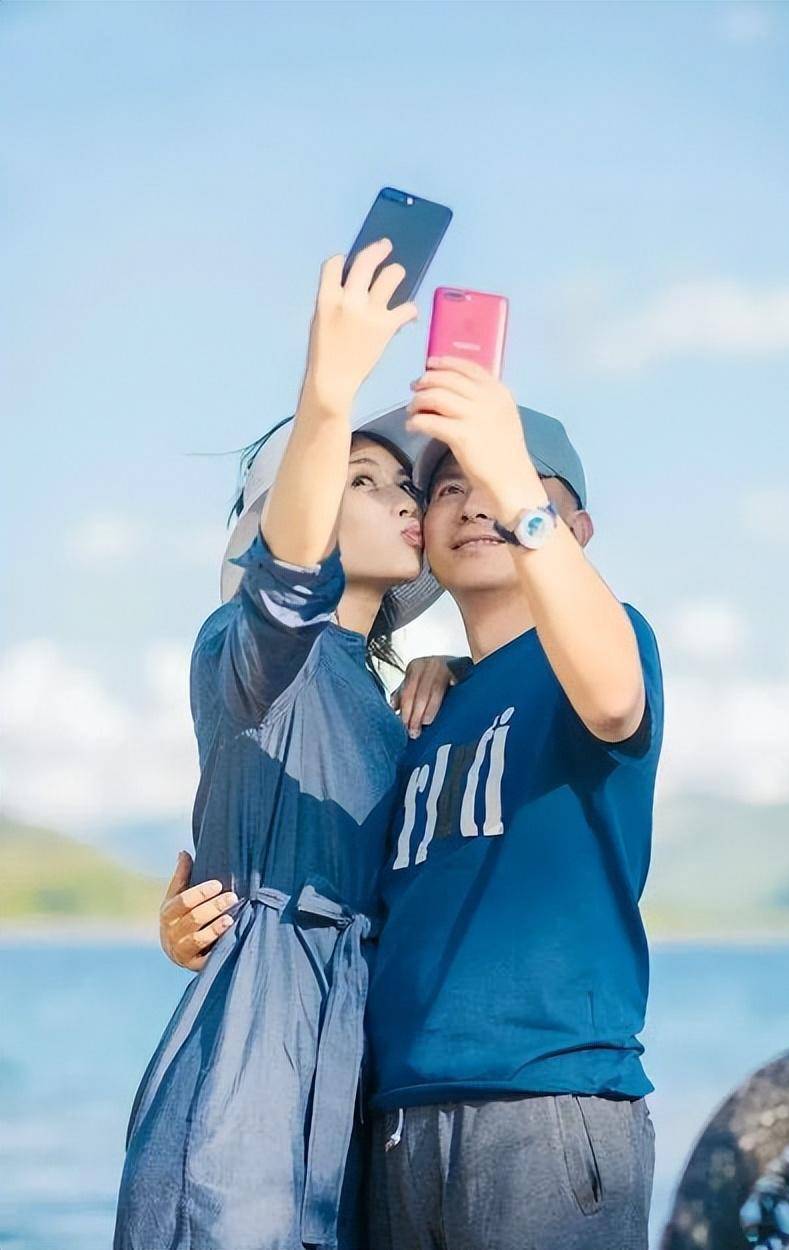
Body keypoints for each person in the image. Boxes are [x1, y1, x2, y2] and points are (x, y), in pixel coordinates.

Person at [113, 238, 454, 1250]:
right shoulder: (248, 650)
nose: (402, 499)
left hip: (356, 1081)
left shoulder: (391, 699)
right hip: (245, 1082)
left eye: (406, 486)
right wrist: (330, 382)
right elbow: (286, 580)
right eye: (362, 476)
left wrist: (463, 672)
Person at [366, 356, 664, 1250]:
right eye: (450, 486)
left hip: (546, 1107)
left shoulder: (610, 645)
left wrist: (512, 490)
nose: (476, 502)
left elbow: (612, 702)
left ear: (575, 526)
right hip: (397, 1120)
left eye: (507, 482)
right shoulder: (424, 705)